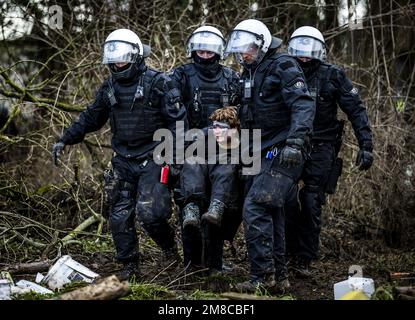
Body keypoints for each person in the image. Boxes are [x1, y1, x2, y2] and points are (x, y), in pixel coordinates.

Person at [51, 29, 187, 280]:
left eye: (122, 58)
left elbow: (178, 124)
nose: (117, 63)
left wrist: (176, 159)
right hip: (123, 159)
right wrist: (65, 139)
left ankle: (169, 250)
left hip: (155, 156)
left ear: (135, 56)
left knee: (151, 213)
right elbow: (91, 117)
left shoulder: (160, 82)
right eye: (113, 59)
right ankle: (130, 266)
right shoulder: (109, 87)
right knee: (119, 215)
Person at [224, 19, 316, 293]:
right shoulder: (248, 73)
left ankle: (261, 278)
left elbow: (303, 104)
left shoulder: (284, 65)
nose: (244, 54)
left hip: (285, 151)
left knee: (255, 206)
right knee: (271, 208)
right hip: (259, 152)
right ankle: (278, 278)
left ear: (262, 44)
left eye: (248, 49)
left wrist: (296, 142)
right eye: (240, 50)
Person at [285, 26, 374, 276]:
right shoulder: (284, 71)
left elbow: (356, 109)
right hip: (289, 144)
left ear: (320, 52)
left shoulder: (333, 75)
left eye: (309, 51)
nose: (304, 56)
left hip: (322, 146)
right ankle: (285, 251)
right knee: (285, 198)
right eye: (299, 50)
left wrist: (366, 145)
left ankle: (304, 259)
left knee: (312, 200)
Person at [169, 26, 241, 273]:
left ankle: (215, 265)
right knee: (190, 205)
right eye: (200, 47)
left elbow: (243, 114)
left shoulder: (232, 78)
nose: (205, 52)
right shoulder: (180, 76)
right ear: (192, 49)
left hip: (224, 150)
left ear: (219, 51)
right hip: (191, 149)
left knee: (218, 208)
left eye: (210, 48)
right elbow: (172, 113)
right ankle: (191, 266)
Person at [180, 106, 242, 274]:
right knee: (192, 161)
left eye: (222, 128)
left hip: (227, 197)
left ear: (234, 128)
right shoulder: (204, 136)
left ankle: (215, 266)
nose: (217, 132)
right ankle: (191, 207)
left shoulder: (241, 142)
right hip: (201, 190)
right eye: (214, 126)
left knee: (216, 227)